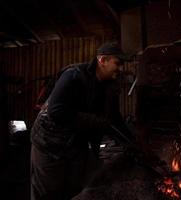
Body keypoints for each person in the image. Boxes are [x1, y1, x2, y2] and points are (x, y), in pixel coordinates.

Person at [30, 42, 134, 200]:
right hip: (49, 143)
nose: (120, 68)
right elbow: (56, 111)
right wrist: (94, 121)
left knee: (74, 190)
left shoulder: (108, 86)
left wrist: (132, 142)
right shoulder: (74, 75)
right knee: (48, 193)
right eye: (117, 63)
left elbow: (114, 119)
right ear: (102, 60)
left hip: (74, 144)